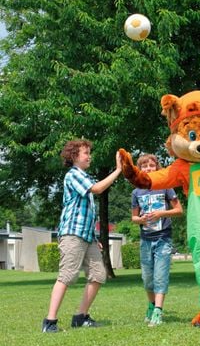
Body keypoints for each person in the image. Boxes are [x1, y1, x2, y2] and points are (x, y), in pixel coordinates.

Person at [42, 139, 122, 333]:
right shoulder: (73, 175)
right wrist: (118, 170)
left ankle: (80, 316)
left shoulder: (84, 176)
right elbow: (97, 189)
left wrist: (94, 238)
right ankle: (50, 322)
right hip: (72, 235)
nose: (89, 156)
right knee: (67, 276)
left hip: (86, 236)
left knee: (98, 274)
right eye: (86, 153)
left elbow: (86, 214)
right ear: (74, 156)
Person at [131, 154, 183, 326]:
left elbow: (178, 210)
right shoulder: (136, 192)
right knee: (147, 278)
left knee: (160, 276)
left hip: (163, 238)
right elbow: (134, 217)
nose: (148, 169)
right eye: (144, 166)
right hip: (145, 239)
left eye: (151, 165)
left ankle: (158, 312)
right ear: (140, 170)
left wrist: (161, 213)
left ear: (157, 168)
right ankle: (152, 305)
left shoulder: (166, 187)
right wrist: (141, 219)